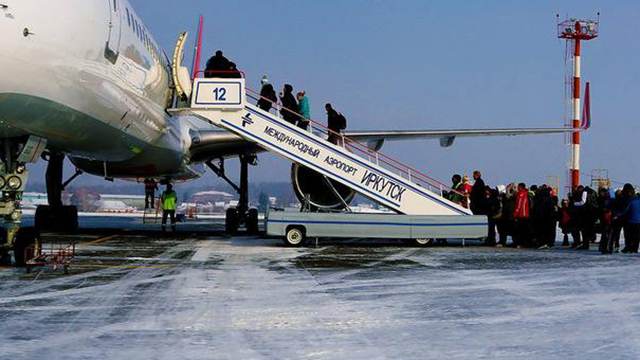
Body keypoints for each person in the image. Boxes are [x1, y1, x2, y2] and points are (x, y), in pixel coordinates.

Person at [620, 184, 640, 253]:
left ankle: (629, 247)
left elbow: (625, 210)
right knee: (636, 236)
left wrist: (617, 215)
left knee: (629, 235)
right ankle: (635, 248)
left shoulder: (630, 200)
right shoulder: (637, 199)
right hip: (638, 221)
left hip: (630, 220)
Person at [513, 183, 531, 248]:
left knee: (520, 230)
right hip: (526, 214)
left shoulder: (521, 194)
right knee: (525, 230)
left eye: (518, 187)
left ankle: (520, 243)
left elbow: (519, 205)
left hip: (521, 215)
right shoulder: (527, 193)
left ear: (520, 187)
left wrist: (515, 214)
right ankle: (525, 243)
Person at [597, 188, 613, 254]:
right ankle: (605, 248)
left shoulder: (605, 199)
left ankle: (605, 248)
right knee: (606, 234)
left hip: (606, 219)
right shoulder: (606, 199)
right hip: (605, 218)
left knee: (606, 234)